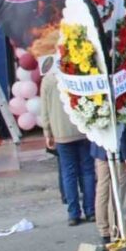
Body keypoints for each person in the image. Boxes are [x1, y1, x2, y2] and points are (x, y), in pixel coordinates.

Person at [41, 67, 96, 226]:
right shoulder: (78, 73)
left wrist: (47, 132)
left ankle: (73, 214)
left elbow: (45, 109)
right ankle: (90, 210)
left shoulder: (48, 80)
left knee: (68, 173)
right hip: (82, 129)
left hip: (61, 133)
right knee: (87, 171)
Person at [90, 127, 126, 243]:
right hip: (116, 149)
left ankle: (103, 229)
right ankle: (114, 227)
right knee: (117, 190)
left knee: (102, 189)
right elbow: (121, 128)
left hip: (99, 147)